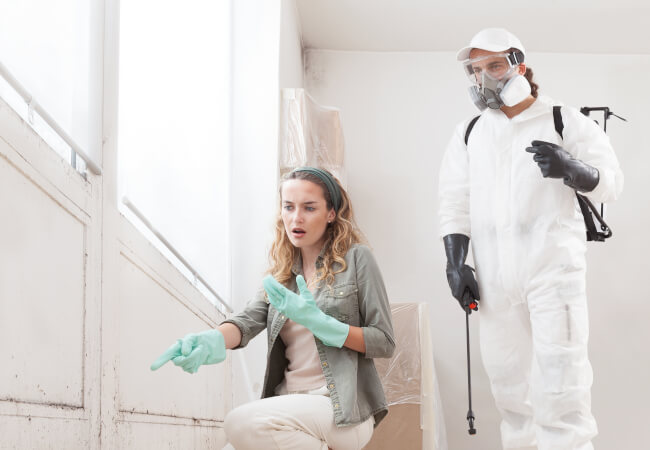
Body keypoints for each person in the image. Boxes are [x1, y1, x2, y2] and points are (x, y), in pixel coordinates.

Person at [438, 28, 623, 450]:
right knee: (510, 392)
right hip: (494, 281)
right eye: (476, 70)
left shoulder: (562, 118)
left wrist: (572, 167)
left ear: (519, 64)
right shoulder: (470, 132)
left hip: (552, 274)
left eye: (496, 65)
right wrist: (455, 263)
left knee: (562, 386)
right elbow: (454, 201)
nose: (485, 78)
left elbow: (611, 183)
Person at [151, 167, 395, 450]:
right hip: (287, 403)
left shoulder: (356, 259)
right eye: (288, 207)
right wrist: (213, 338)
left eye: (309, 208)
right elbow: (247, 321)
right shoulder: (282, 274)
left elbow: (384, 341)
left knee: (240, 424)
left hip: (339, 409)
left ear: (331, 214)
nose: (296, 218)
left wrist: (324, 325)